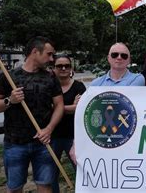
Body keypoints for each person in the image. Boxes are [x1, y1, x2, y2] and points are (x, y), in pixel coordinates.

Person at [0, 36, 64, 193]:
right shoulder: (9, 76)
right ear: (35, 52)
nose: (52, 58)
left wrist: (49, 129)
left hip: (43, 142)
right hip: (15, 143)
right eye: (49, 54)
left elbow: (59, 105)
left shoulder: (50, 77)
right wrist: (10, 100)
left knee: (45, 185)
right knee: (14, 187)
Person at [51, 55, 86, 193]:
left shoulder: (79, 86)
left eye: (67, 65)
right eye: (59, 66)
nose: (64, 68)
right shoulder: (49, 87)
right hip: (53, 135)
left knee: (80, 171)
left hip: (74, 137)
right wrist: (70, 107)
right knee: (51, 173)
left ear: (71, 68)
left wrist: (57, 108)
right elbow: (46, 110)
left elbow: (82, 109)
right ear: (54, 69)